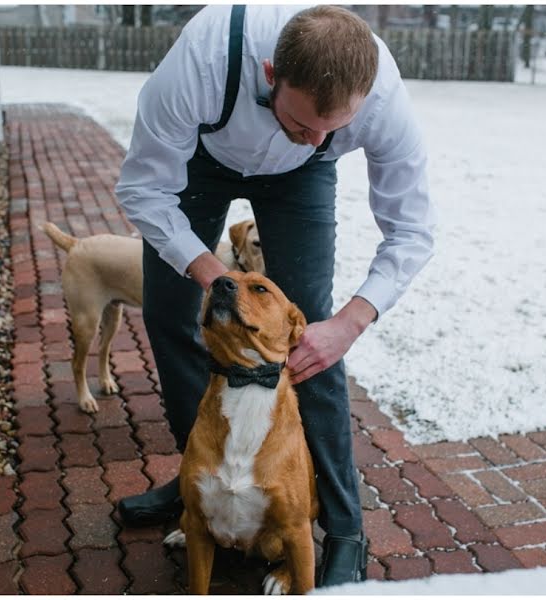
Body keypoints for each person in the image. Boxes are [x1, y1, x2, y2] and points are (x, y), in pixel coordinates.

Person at [114, 4, 434, 587]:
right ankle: (201, 485)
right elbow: (142, 188)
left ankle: (343, 528)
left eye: (333, 127)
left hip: (303, 181)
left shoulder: (379, 102)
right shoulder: (201, 62)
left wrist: (350, 323)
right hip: (201, 161)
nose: (316, 137)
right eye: (302, 120)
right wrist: (215, 277)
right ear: (269, 73)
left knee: (312, 342)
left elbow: (412, 230)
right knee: (170, 314)